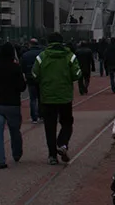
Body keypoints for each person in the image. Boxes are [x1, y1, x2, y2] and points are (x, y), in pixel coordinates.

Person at [31, 32, 81, 165]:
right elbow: (77, 74)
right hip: (65, 96)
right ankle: (62, 143)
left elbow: (34, 75)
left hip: (47, 97)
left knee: (50, 127)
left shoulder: (41, 57)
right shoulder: (70, 56)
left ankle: (52, 156)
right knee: (67, 123)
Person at [0, 43, 27, 169]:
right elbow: (22, 87)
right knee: (15, 131)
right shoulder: (15, 68)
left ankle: (0, 159)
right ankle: (17, 153)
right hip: (12, 103)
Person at [20, 39, 43, 124]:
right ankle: (41, 115)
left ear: (30, 45)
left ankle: (34, 117)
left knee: (33, 98)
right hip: (41, 78)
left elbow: (22, 68)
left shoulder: (25, 55)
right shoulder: (42, 53)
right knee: (41, 98)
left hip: (30, 78)